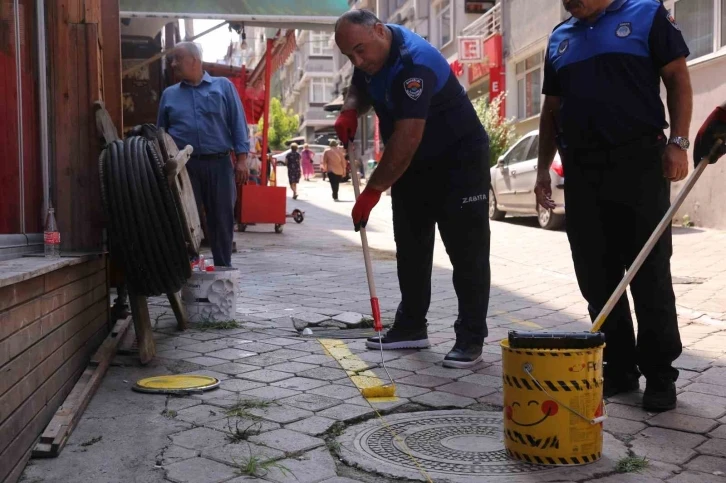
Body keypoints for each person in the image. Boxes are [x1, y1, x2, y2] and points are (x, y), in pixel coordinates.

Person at [535, 0, 693, 411]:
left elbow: (676, 77)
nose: (569, 2)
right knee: (596, 275)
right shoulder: (559, 37)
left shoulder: (646, 14)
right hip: (582, 171)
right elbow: (551, 110)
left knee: (648, 270)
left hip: (639, 161)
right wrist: (540, 174)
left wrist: (679, 142)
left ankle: (660, 373)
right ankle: (620, 367)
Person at [334, 9, 491, 368]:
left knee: (466, 253)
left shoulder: (413, 64)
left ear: (379, 31)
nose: (357, 60)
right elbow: (360, 82)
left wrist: (372, 191)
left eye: (360, 50)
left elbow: (406, 139)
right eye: (349, 55)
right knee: (411, 245)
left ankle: (470, 336)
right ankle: (411, 327)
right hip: (414, 165)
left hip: (458, 161)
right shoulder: (371, 52)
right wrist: (350, 110)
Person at [157, 42, 249, 268]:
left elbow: (238, 123)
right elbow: (160, 135)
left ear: (195, 60)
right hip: (185, 168)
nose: (173, 64)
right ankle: (187, 270)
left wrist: (242, 159)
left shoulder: (223, 87)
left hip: (219, 164)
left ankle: (222, 270)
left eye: (178, 58)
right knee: (183, 220)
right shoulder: (169, 95)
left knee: (222, 219)